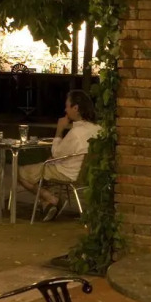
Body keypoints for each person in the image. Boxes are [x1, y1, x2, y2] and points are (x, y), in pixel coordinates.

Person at [18, 90, 101, 221]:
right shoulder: (98, 129)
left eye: (67, 106)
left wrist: (59, 130)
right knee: (44, 167)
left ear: (75, 108)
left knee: (20, 173)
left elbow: (56, 153)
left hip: (67, 173)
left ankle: (52, 199)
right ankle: (47, 204)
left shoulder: (76, 133)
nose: (65, 110)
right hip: (88, 173)